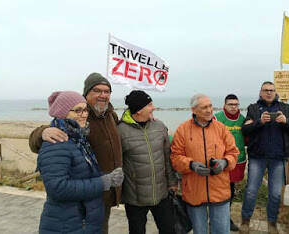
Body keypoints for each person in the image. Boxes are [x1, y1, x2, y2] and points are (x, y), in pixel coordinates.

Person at [29, 73, 122, 234]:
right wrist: (42, 132)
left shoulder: (111, 116)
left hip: (104, 194)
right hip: (84, 199)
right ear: (86, 94)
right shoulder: (72, 124)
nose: (103, 95)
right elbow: (47, 137)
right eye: (97, 90)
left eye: (107, 91)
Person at [171, 93, 239, 234]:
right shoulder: (182, 130)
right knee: (199, 231)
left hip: (219, 189)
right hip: (194, 190)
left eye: (210, 106)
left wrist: (225, 162)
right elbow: (175, 158)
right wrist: (191, 165)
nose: (209, 110)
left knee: (221, 231)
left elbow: (233, 153)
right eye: (204, 107)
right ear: (194, 110)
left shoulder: (221, 129)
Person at [239, 81, 289, 234]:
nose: (268, 93)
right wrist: (260, 121)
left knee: (275, 193)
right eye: (265, 90)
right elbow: (245, 130)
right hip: (257, 157)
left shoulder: (285, 108)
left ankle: (271, 222)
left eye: (271, 90)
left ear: (275, 92)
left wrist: (286, 122)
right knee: (251, 191)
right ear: (260, 92)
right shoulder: (253, 108)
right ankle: (245, 220)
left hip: (278, 158)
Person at [118, 90, 178, 234]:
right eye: (149, 105)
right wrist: (118, 193)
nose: (153, 108)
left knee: (169, 230)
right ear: (138, 110)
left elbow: (167, 157)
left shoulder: (160, 126)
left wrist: (172, 182)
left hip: (161, 194)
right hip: (134, 198)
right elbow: (117, 164)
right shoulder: (120, 131)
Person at [214, 94, 246, 232]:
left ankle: (225, 218)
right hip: (222, 161)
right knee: (220, 191)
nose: (234, 107)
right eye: (230, 104)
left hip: (238, 160)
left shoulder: (243, 119)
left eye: (236, 104)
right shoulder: (217, 118)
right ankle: (219, 219)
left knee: (231, 191)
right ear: (225, 105)